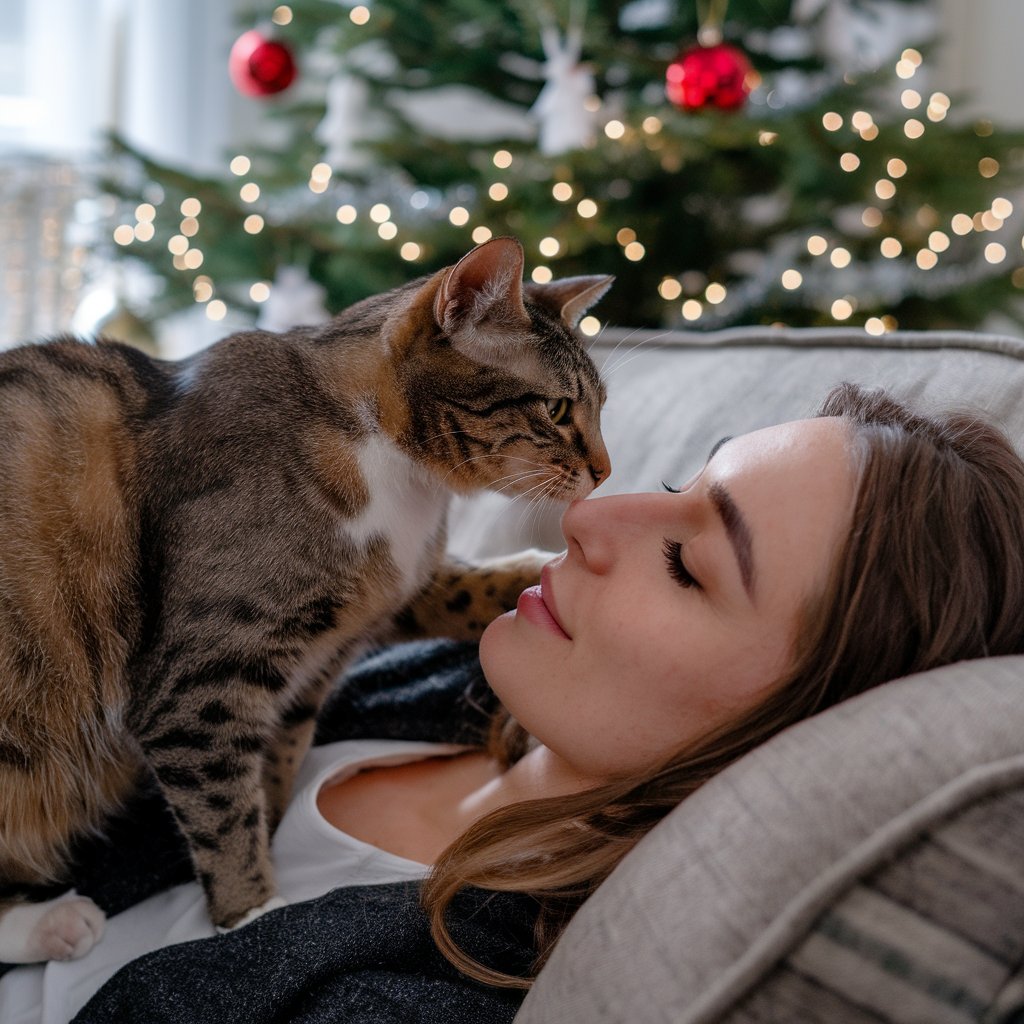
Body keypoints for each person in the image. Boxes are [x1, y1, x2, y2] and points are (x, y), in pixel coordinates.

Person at [2, 382, 1024, 1024]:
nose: (585, 514)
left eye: (684, 561)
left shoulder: (448, 986)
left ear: (801, 730)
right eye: (674, 479)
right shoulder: (419, 684)